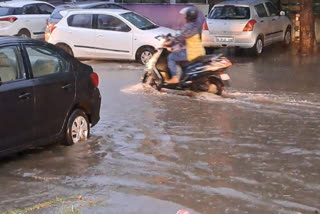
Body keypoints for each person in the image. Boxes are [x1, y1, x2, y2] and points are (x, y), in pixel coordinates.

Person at [164, 7, 206, 84]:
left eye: (185, 15)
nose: (184, 17)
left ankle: (174, 78)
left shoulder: (189, 26)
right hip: (200, 50)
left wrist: (169, 43)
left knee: (171, 57)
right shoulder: (196, 25)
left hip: (191, 52)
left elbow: (180, 38)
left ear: (188, 17)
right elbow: (185, 37)